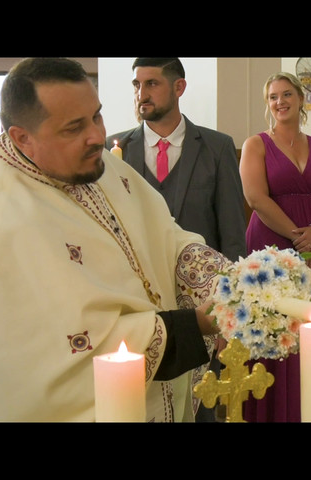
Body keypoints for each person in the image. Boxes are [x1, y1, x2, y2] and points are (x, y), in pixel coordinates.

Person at [0, 57, 227, 422]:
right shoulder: (1, 219)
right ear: (22, 137)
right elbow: (69, 347)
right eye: (73, 127)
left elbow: (163, 235)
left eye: (96, 116)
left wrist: (225, 281)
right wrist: (197, 322)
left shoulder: (91, 163)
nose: (96, 136)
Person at [106, 57, 246, 422]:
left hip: (201, 308)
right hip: (139, 309)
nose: (141, 94)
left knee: (202, 409)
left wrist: (228, 312)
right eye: (137, 85)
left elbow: (232, 234)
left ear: (179, 87)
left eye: (152, 83)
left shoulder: (216, 148)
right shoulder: (114, 150)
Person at [238, 72, 311, 422]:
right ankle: (270, 413)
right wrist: (298, 233)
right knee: (274, 323)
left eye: (286, 95)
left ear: (301, 98)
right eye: (272, 97)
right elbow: (255, 197)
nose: (279, 102)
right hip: (272, 240)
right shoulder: (256, 144)